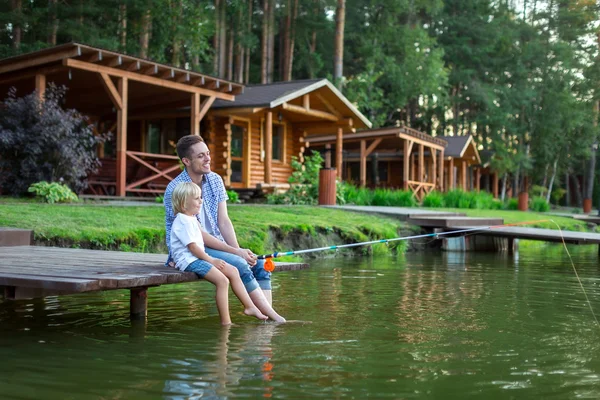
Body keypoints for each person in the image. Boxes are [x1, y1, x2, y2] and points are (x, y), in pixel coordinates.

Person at [164, 135, 285, 322]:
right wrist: (237, 254)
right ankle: (274, 319)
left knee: (259, 265)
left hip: (217, 244)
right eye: (201, 156)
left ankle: (266, 318)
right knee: (241, 265)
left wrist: (240, 251)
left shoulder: (215, 180)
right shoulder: (177, 189)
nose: (208, 159)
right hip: (194, 246)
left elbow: (224, 221)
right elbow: (198, 236)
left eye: (208, 153)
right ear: (186, 161)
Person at [170, 182, 269, 325]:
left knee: (234, 271)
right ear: (184, 204)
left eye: (201, 197)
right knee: (222, 281)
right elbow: (193, 248)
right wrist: (211, 260)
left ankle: (250, 307)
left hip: (197, 258)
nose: (201, 201)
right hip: (190, 261)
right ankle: (226, 322)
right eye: (197, 198)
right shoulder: (183, 221)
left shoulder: (191, 219)